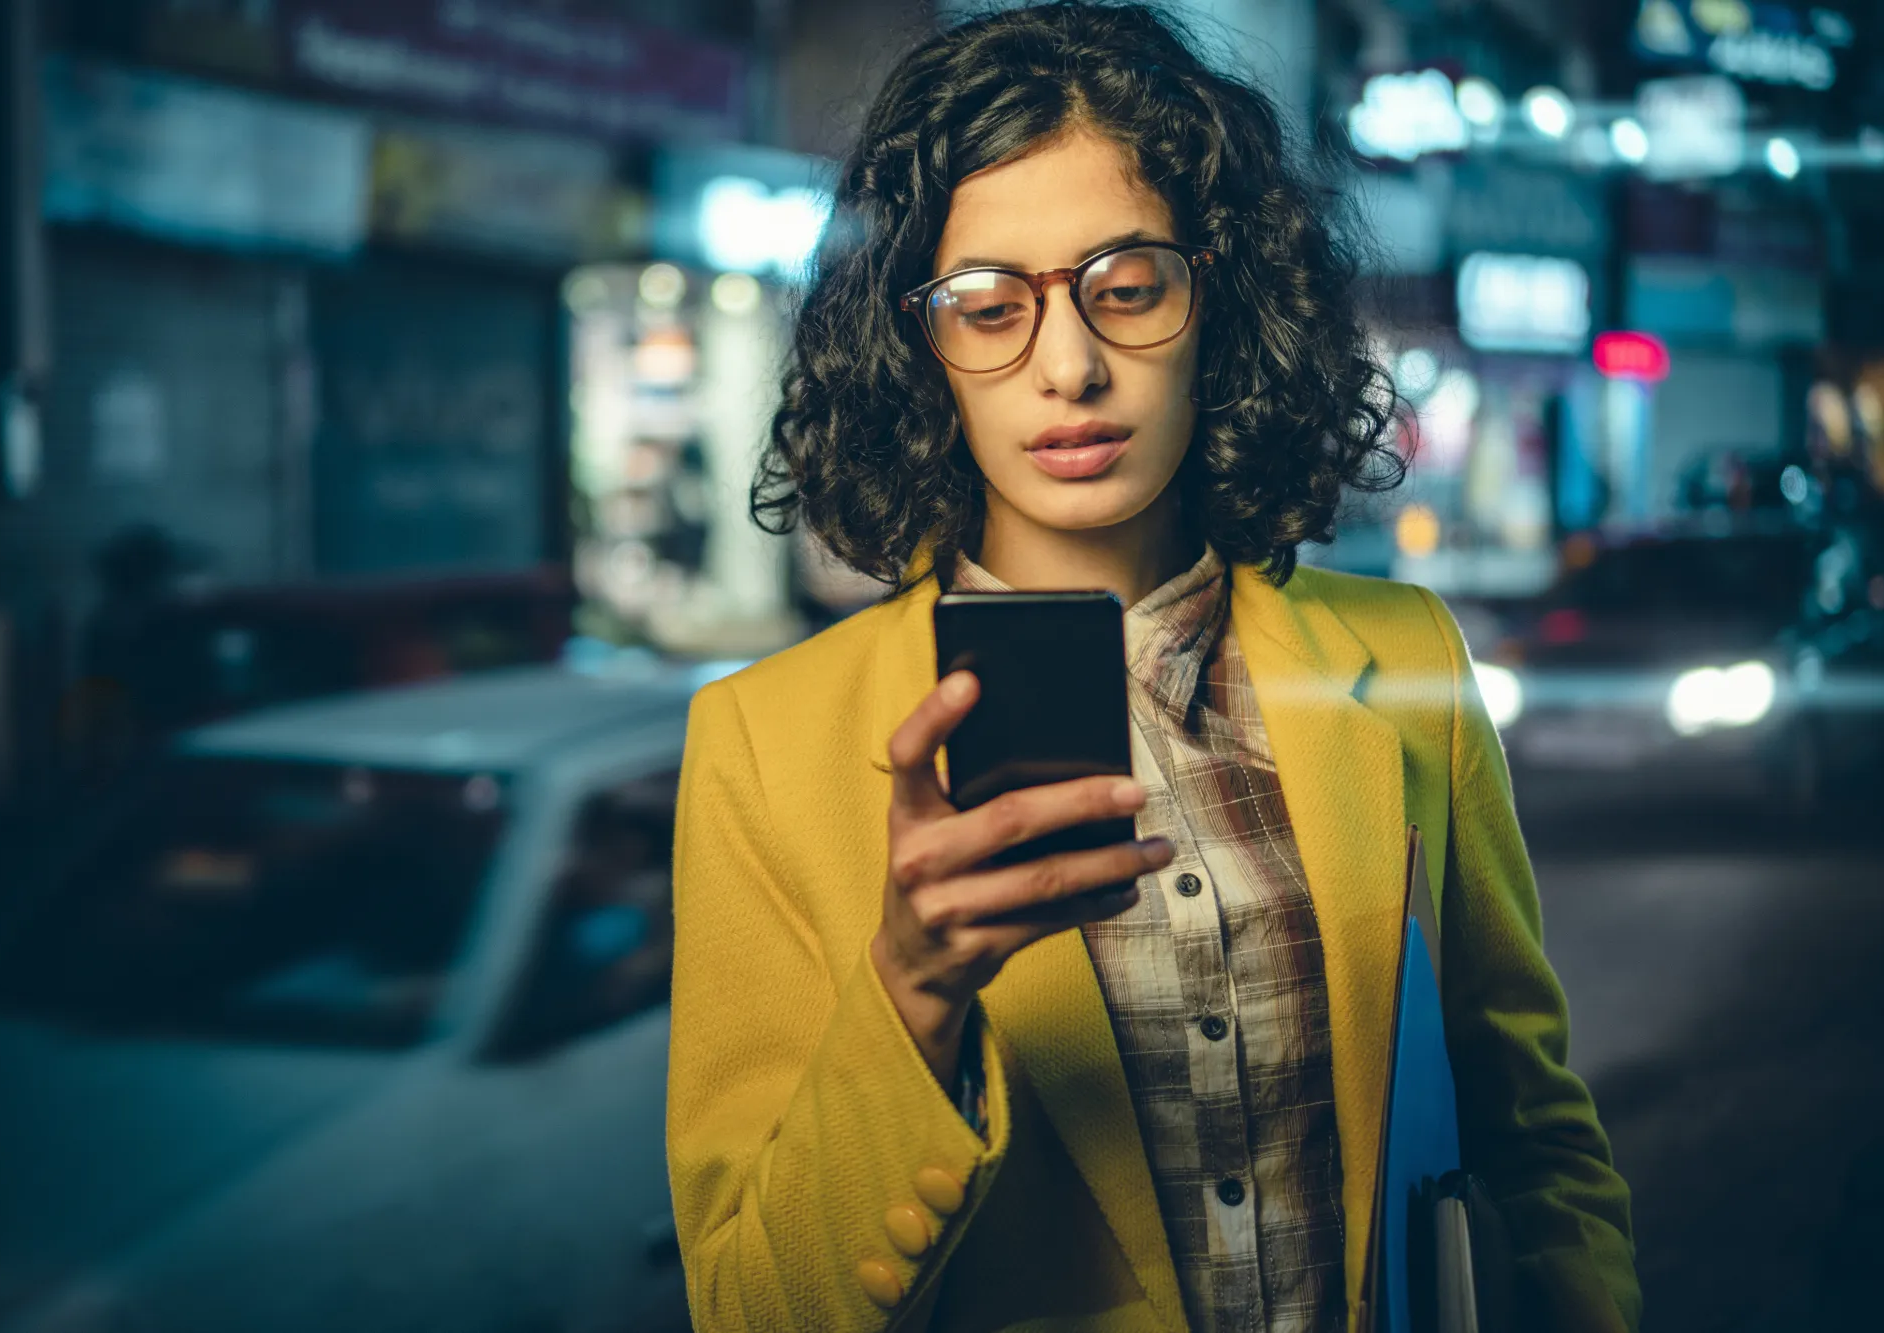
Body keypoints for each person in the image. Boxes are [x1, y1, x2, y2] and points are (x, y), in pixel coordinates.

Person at [666, 5, 1639, 1331]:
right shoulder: (762, 749)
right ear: (918, 344)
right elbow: (747, 1304)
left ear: (1218, 300)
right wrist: (911, 995)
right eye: (989, 305)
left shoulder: (1407, 666)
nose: (1067, 366)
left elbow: (1530, 1133)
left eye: (1127, 287)